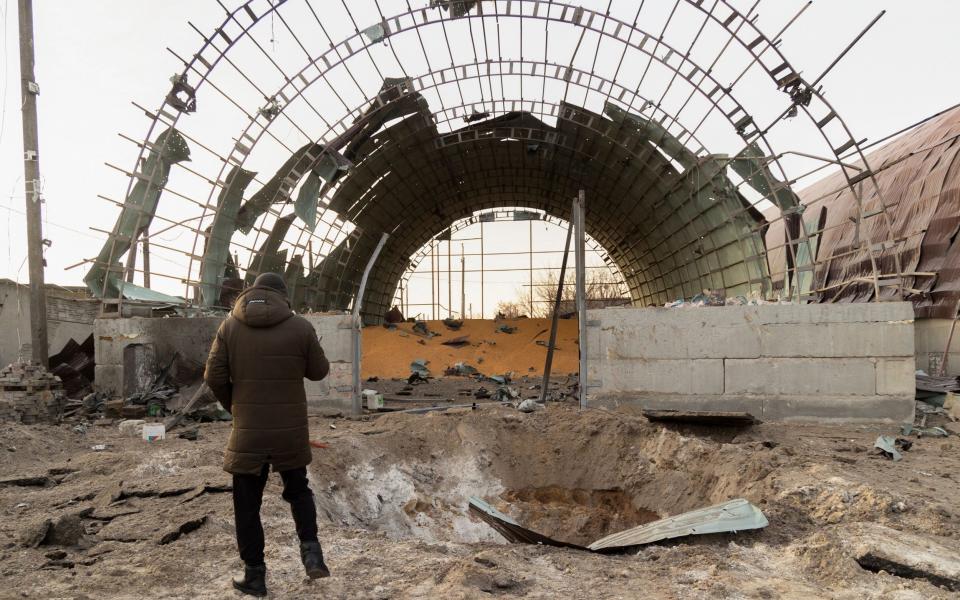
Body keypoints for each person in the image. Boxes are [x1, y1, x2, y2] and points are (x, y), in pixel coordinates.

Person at [204, 272, 331, 597]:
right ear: (283, 296)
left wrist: (236, 407)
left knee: (246, 505)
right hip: (290, 430)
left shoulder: (230, 326)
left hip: (248, 433)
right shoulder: (301, 326)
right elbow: (318, 372)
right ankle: (312, 555)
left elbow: (213, 375)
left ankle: (255, 576)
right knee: (299, 491)